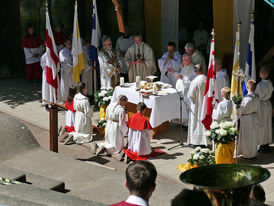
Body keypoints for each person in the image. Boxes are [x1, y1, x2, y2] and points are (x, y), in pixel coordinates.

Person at [238, 80, 259, 159]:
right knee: (253, 136)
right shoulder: (257, 96)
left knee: (247, 137)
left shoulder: (246, 99)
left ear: (247, 87)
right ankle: (253, 153)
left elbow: (241, 109)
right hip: (254, 117)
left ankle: (247, 155)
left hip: (247, 118)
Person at [173, 54, 196, 125]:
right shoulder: (184, 67)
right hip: (181, 91)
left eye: (185, 60)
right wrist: (174, 72)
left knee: (186, 107)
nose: (183, 61)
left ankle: (186, 124)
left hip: (187, 92)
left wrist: (182, 78)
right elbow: (181, 76)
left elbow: (192, 80)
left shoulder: (193, 69)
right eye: (182, 60)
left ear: (190, 60)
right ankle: (181, 121)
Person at [187, 65, 207, 147]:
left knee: (195, 123)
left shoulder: (195, 81)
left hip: (197, 106)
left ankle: (196, 142)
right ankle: (204, 140)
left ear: (196, 72)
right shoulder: (206, 79)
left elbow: (191, 95)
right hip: (205, 105)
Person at [255, 65, 273, 153]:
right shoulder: (269, 82)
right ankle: (266, 143)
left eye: (262, 71)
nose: (261, 73)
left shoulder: (261, 84)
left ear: (266, 74)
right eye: (260, 71)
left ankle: (262, 143)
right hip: (267, 104)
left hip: (262, 104)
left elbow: (257, 95)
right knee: (267, 124)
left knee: (262, 124)